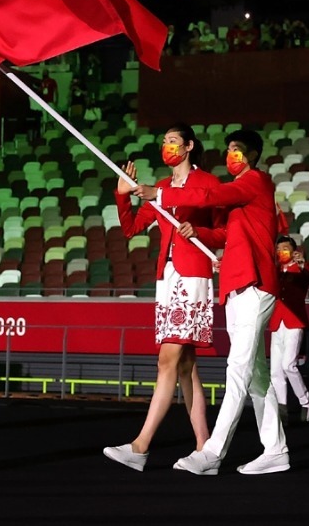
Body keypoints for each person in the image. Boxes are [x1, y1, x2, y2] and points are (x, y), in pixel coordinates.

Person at [133, 128, 287, 475]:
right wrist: (201, 236)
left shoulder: (256, 182)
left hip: (256, 284)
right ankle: (276, 449)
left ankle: (212, 451)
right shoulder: (238, 201)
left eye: (238, 150)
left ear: (253, 156)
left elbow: (207, 196)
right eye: (229, 149)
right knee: (257, 376)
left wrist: (159, 192)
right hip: (235, 286)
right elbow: (229, 236)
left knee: (238, 370)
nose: (231, 155)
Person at [103, 124, 225, 471]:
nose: (166, 146)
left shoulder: (208, 185)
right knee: (186, 368)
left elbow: (224, 230)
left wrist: (199, 231)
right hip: (167, 278)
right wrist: (122, 195)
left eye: (173, 141)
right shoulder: (159, 188)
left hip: (194, 276)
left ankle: (140, 446)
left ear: (189, 146)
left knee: (166, 361)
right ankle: (205, 448)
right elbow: (131, 229)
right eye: (164, 141)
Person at [269, 236, 309, 424]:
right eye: (279, 249)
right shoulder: (275, 271)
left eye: (286, 248)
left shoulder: (300, 269)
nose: (282, 252)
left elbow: (308, 277)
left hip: (294, 323)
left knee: (289, 365)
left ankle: (306, 401)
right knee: (275, 371)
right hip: (276, 323)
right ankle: (282, 410)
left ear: (294, 250)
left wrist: (302, 264)